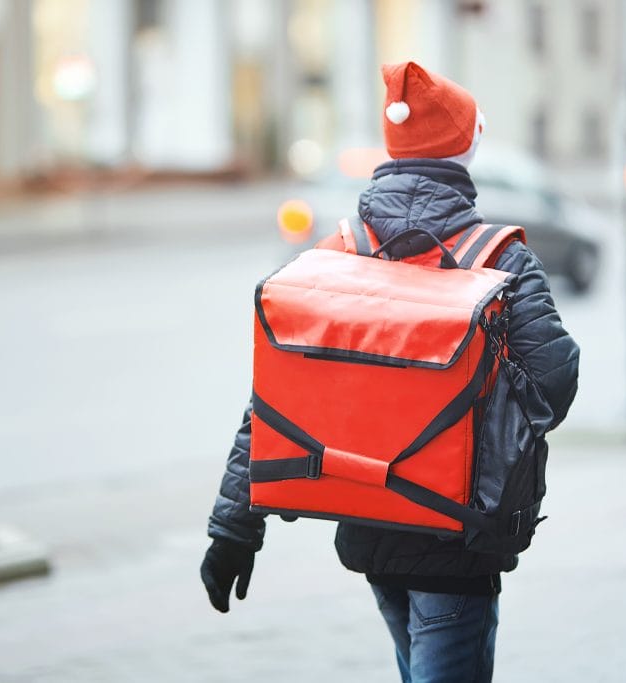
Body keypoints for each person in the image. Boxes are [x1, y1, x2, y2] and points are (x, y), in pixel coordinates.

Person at [200, 61, 580, 681]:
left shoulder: (339, 254)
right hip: (459, 538)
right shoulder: (499, 259)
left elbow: (271, 402)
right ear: (466, 149)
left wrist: (233, 530)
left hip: (368, 522)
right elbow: (555, 383)